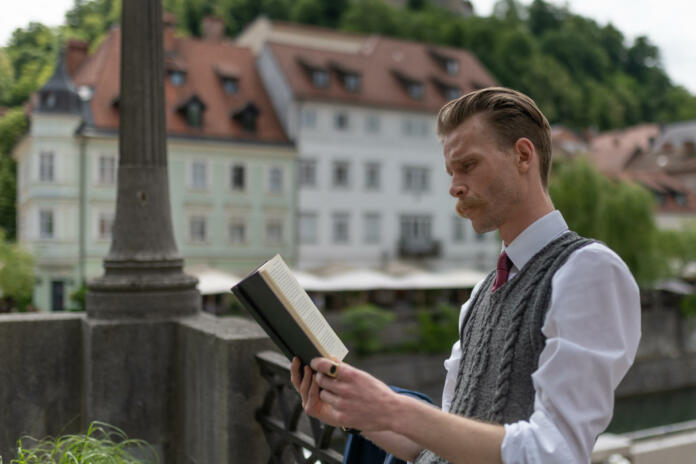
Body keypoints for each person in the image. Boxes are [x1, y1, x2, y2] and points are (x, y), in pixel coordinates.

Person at [290, 87, 641, 463]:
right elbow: (439, 449)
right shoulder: (480, 295)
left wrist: (395, 409)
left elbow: (555, 453)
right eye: (451, 172)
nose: (455, 187)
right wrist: (360, 415)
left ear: (523, 155)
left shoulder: (589, 271)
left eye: (468, 166)